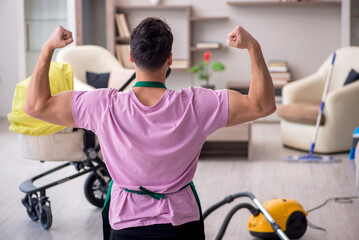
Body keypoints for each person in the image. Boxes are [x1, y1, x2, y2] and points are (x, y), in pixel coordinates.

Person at [24, 17, 275, 240]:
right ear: (169, 59)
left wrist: (48, 49)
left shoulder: (103, 105)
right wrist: (254, 47)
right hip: (180, 225)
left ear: (131, 58)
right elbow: (262, 105)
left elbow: (35, 106)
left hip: (125, 225)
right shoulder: (197, 104)